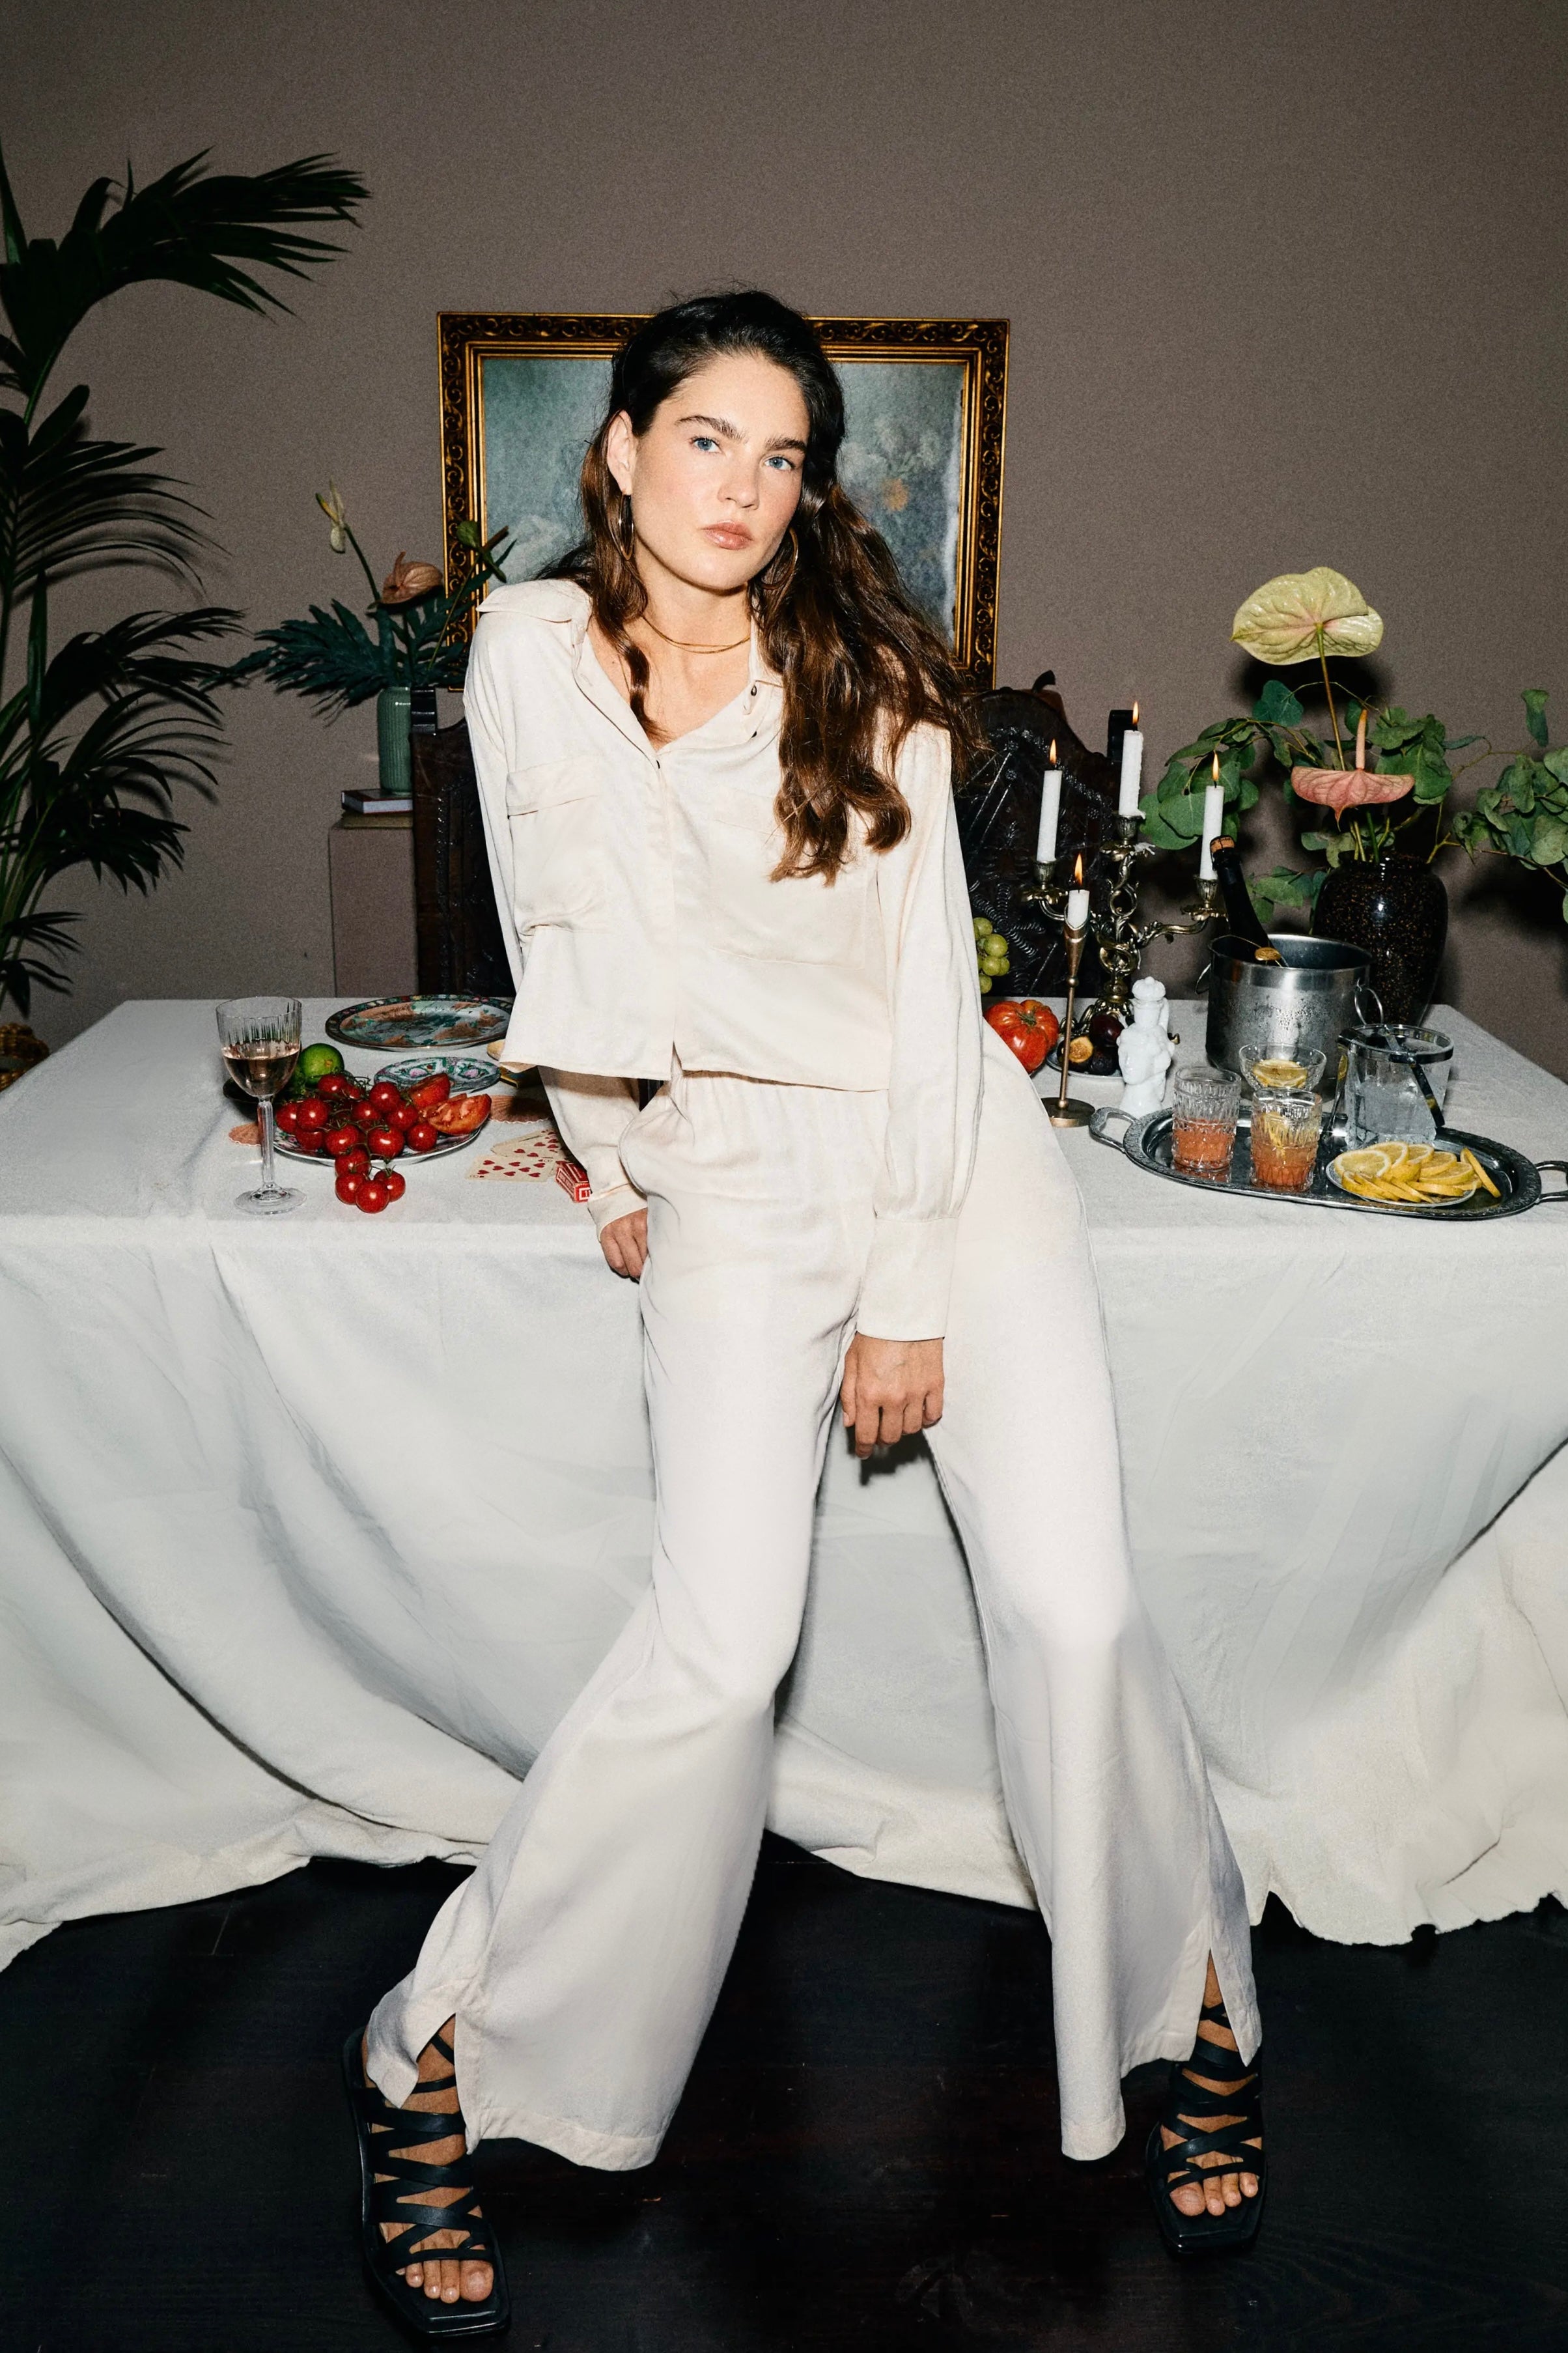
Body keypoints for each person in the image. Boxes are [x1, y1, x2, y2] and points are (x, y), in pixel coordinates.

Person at [343, 293, 1265, 2335]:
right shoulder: (520, 660)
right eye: (706, 442)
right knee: (721, 1638)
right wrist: (606, 1162)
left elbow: (937, 1010)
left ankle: (1186, 1988)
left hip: (949, 1159)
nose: (743, 491)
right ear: (620, 450)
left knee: (1076, 1607)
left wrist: (909, 1286)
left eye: (782, 458)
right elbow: (551, 929)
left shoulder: (867, 688)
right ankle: (455, 2049)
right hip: (730, 1174)